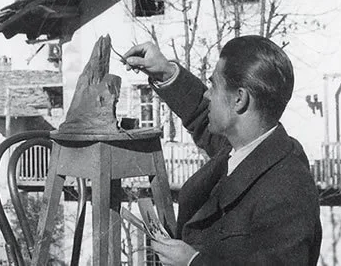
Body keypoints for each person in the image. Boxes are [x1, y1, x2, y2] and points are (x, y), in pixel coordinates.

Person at [122, 35, 322, 265]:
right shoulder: (247, 149)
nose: (208, 94)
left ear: (239, 99)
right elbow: (202, 114)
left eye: (214, 85)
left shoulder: (288, 192)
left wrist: (193, 262)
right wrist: (165, 72)